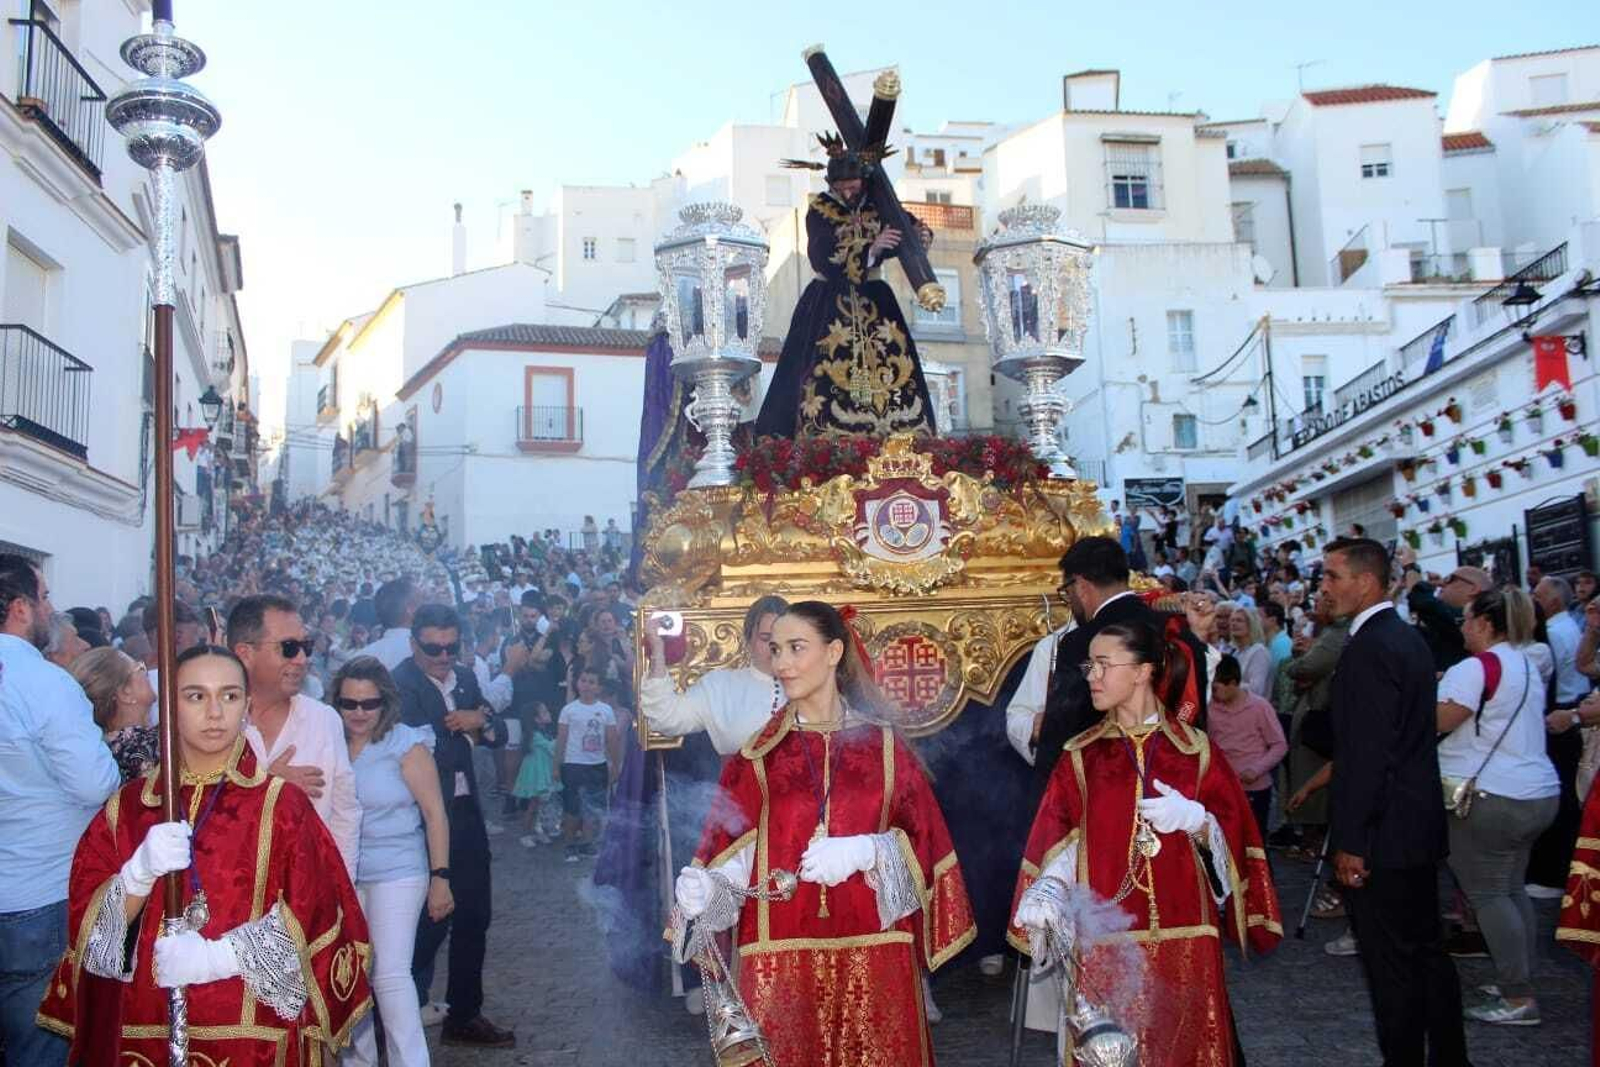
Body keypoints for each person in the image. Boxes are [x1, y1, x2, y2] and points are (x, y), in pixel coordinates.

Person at [37, 644, 372, 1065]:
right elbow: (90, 938)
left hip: (253, 1034)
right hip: (143, 1027)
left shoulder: (282, 806)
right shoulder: (126, 810)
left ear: (246, 706)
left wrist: (220, 957)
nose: (215, 712)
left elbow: (320, 917)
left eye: (229, 696)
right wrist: (137, 875)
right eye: (196, 696)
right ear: (170, 706)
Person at [674, 601, 975, 1065]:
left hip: (876, 955)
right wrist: (708, 890)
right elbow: (734, 857)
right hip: (780, 964)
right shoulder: (756, 758)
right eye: (775, 650)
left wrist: (870, 850)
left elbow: (929, 851)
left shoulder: (888, 748)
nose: (782, 664)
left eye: (796, 648)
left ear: (834, 652)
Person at [1011, 620, 1281, 1065]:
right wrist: (1049, 887)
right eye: (1089, 666)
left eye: (1103, 665)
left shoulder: (1196, 753)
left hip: (1187, 939)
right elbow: (1058, 840)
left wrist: (1200, 822)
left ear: (1142, 671)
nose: (1092, 676)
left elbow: (1240, 848)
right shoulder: (1082, 755)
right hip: (1108, 944)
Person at [1321, 537, 1469, 1065]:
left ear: (1366, 581)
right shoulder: (1405, 639)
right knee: (1427, 953)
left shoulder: (1370, 647)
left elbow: (1368, 754)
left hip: (1384, 835)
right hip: (1414, 826)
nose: (1325, 588)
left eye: (1333, 577)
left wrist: (1353, 841)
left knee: (1392, 966)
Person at [0, 555, 121, 1066]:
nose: (52, 608)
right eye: (46, 597)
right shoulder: (45, 683)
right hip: (36, 895)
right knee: (42, 1050)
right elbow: (97, 784)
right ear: (23, 608)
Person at [390, 603, 514, 1048]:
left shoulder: (465, 678)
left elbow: (497, 732)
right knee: (428, 922)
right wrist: (466, 732)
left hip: (464, 812)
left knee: (475, 915)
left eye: (450, 647)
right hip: (422, 817)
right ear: (414, 644)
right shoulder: (399, 686)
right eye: (433, 648)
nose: (443, 656)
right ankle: (391, 1011)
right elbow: (421, 752)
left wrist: (478, 722)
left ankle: (464, 1012)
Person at [756, 136, 937, 438]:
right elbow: (820, 255)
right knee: (816, 367)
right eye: (842, 189)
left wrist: (918, 234)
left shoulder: (879, 204)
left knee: (892, 359)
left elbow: (905, 230)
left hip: (876, 297)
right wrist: (871, 248)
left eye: (854, 187)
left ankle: (895, 434)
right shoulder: (819, 209)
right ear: (832, 185)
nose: (849, 194)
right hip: (828, 300)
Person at [1436, 586, 1559, 1025]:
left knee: (1489, 893)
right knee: (1510, 888)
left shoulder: (1475, 667)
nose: (1462, 627)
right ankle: (1519, 976)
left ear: (1485, 624)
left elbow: (1443, 719)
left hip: (1489, 794)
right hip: (1536, 790)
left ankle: (1517, 994)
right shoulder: (1527, 661)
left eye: (1466, 619)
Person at [334, 656, 454, 1067]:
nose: (359, 713)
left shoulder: (406, 743)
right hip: (342, 874)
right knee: (350, 976)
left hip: (399, 870)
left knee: (390, 974)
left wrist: (441, 877)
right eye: (350, 703)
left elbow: (435, 813)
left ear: (385, 703)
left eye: (369, 704)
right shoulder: (327, 741)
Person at [1032, 537, 1208, 798]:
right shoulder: (1178, 631)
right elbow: (1195, 713)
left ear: (1080, 586)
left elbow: (1063, 729)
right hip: (1176, 782)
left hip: (1108, 786)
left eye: (1067, 593)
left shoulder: (1080, 643)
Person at [228, 594, 362, 877]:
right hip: (231, 897)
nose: (301, 659)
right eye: (289, 648)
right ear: (245, 653)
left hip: (308, 897)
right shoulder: (213, 723)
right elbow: (195, 814)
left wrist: (342, 892)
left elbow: (345, 815)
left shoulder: (324, 721)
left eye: (306, 646)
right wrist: (266, 786)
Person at [639, 595, 789, 755]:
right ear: (748, 640)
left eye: (784, 638)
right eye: (765, 638)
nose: (775, 647)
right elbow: (667, 718)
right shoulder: (720, 687)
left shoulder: (813, 684)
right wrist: (657, 649)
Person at [1207, 653, 1288, 839]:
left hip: (1254, 789)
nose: (1213, 693)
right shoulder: (1209, 707)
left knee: (1253, 843)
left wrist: (1256, 769)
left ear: (1233, 683)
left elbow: (1279, 745)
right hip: (1222, 788)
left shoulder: (1259, 707)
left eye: (1216, 688)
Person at [555, 666, 619, 863]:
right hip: (573, 764)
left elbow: (612, 740)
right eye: (583, 680)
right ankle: (569, 845)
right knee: (572, 807)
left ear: (599, 687)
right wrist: (556, 766)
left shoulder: (606, 710)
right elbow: (561, 740)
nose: (587, 685)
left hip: (597, 765)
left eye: (592, 682)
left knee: (593, 807)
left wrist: (615, 765)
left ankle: (587, 843)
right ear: (577, 683)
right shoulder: (569, 710)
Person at [70, 646, 160, 782]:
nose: (146, 672)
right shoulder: (152, 744)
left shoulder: (99, 749)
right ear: (125, 692)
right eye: (140, 668)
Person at [514, 702, 558, 846]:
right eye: (544, 712)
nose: (548, 713)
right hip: (536, 775)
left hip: (543, 771)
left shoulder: (543, 732)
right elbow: (551, 748)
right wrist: (563, 737)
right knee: (533, 805)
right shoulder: (535, 735)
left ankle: (538, 831)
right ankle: (526, 834)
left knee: (542, 805)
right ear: (536, 719)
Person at [361, 577, 423, 670]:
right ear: (411, 609)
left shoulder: (361, 658)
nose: (427, 608)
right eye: (422, 602)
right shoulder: (431, 655)